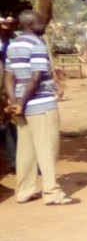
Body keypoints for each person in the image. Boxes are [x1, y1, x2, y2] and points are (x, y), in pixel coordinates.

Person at [3, 10, 76, 204]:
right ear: (32, 25)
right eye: (41, 22)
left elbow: (9, 76)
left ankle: (24, 191)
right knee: (47, 147)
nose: (44, 24)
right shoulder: (37, 45)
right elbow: (36, 78)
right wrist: (23, 103)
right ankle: (52, 192)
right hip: (40, 104)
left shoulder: (13, 45)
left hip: (21, 105)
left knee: (25, 150)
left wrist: (14, 102)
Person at [0, 15, 18, 176]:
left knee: (12, 125)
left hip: (10, 89)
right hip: (4, 89)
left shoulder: (13, 41)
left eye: (9, 23)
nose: (6, 25)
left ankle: (14, 162)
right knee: (7, 126)